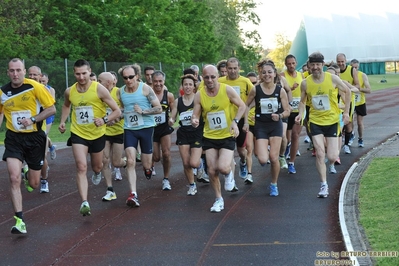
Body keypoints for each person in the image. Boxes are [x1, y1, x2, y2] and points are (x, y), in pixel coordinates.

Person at [58, 59, 121, 216]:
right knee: (81, 166)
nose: (81, 77)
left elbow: (117, 111)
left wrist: (104, 120)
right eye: (78, 74)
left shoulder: (99, 89)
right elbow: (66, 105)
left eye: (84, 73)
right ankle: (84, 202)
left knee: (97, 166)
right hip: (78, 133)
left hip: (97, 134)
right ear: (74, 73)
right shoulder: (69, 91)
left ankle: (98, 172)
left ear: (89, 71)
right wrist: (63, 121)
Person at [1, 58, 56, 234]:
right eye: (12, 71)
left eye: (18, 70)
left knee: (34, 183)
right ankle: (19, 220)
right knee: (13, 177)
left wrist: (32, 119)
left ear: (24, 71)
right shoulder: (2, 92)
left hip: (35, 139)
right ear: (8, 72)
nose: (15, 74)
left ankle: (29, 175)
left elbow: (51, 109)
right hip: (13, 138)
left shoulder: (35, 87)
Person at [295, 52, 351, 198]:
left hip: (332, 121)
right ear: (309, 66)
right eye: (312, 65)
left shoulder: (332, 78)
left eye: (318, 65)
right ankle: (323, 185)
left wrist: (346, 112)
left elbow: (348, 91)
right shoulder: (305, 82)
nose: (315, 67)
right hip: (315, 122)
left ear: (322, 65)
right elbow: (302, 101)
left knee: (332, 156)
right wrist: (300, 114)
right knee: (320, 153)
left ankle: (331, 163)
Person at [191, 64, 246, 213]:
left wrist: (235, 122)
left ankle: (229, 175)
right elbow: (195, 114)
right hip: (209, 136)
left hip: (227, 134)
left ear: (217, 76)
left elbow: (242, 106)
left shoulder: (226, 89)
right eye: (207, 77)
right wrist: (194, 120)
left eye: (213, 77)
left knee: (223, 167)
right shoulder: (199, 94)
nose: (210, 80)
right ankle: (218, 199)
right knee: (212, 170)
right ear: (203, 77)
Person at [244, 61, 291, 196]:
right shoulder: (256, 89)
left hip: (275, 125)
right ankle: (266, 151)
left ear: (274, 73)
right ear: (260, 74)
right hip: (261, 126)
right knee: (263, 159)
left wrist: (280, 115)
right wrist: (246, 122)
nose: (267, 75)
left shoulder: (280, 90)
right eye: (264, 72)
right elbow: (246, 106)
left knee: (274, 158)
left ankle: (274, 184)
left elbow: (287, 110)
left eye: (270, 72)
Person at [118, 64, 162, 207]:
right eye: (125, 78)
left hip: (146, 128)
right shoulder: (120, 92)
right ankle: (133, 194)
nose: (128, 80)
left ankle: (147, 168)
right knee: (130, 161)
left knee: (147, 163)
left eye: (131, 77)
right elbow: (121, 110)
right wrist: (116, 117)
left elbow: (159, 108)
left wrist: (143, 111)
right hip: (129, 129)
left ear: (137, 76)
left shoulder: (145, 89)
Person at [169, 74, 207, 195]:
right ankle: (192, 185)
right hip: (183, 133)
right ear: (182, 86)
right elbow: (173, 116)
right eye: (186, 84)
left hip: (196, 132)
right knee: (186, 163)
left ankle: (200, 165)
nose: (188, 87)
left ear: (194, 86)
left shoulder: (199, 98)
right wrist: (171, 120)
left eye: (190, 84)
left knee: (194, 163)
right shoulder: (177, 101)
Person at [219, 57, 253, 180]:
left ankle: (243, 162)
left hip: (240, 120)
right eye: (230, 68)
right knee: (228, 149)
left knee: (241, 150)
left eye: (235, 68)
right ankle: (230, 177)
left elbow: (253, 98)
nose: (232, 71)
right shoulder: (220, 81)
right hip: (225, 121)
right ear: (226, 69)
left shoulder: (245, 82)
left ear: (239, 68)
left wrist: (247, 119)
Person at [97, 72, 126, 201]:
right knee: (105, 160)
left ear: (109, 82)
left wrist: (116, 119)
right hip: (104, 132)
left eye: (100, 80)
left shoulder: (119, 92)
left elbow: (126, 109)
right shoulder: (98, 93)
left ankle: (126, 162)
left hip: (118, 131)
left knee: (116, 162)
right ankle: (110, 190)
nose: (97, 83)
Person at [28, 66, 52, 193]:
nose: (32, 77)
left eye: (35, 75)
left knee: (42, 157)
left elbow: (51, 109)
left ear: (40, 76)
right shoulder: (24, 89)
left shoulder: (44, 90)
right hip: (23, 130)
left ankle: (44, 180)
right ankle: (27, 173)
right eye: (30, 75)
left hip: (39, 129)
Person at [280, 55, 305, 174]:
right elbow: (281, 90)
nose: (291, 65)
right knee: (286, 137)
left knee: (295, 135)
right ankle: (285, 151)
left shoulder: (301, 75)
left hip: (298, 110)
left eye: (293, 63)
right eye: (289, 63)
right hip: (287, 109)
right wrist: (291, 87)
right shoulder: (282, 75)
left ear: (296, 63)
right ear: (286, 64)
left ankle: (291, 162)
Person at [151, 70, 175, 190]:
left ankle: (166, 179)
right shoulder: (147, 95)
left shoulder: (168, 95)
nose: (158, 84)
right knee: (156, 157)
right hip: (152, 129)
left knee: (166, 153)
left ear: (164, 81)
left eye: (160, 81)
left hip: (164, 128)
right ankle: (150, 163)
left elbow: (174, 109)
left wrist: (172, 118)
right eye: (155, 81)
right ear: (152, 81)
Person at [336, 53, 360, 154]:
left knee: (348, 124)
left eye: (342, 61)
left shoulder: (351, 70)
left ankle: (346, 145)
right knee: (337, 123)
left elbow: (358, 86)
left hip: (349, 100)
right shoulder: (334, 71)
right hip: (336, 99)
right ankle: (337, 145)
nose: (341, 63)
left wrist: (347, 85)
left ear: (346, 61)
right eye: (339, 62)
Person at [350, 59, 371, 147]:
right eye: (352, 67)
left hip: (360, 102)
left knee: (359, 122)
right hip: (350, 101)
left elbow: (369, 90)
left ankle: (360, 138)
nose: (354, 69)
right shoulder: (347, 74)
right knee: (349, 123)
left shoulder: (362, 75)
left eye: (356, 67)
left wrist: (358, 89)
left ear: (358, 67)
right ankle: (351, 135)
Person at [243, 72, 258, 183]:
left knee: (257, 153)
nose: (252, 85)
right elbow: (245, 108)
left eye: (254, 83)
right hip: (248, 125)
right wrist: (246, 122)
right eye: (250, 83)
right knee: (249, 149)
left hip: (259, 126)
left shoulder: (261, 94)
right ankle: (249, 174)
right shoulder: (245, 98)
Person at [40, 72, 57, 161]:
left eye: (43, 81)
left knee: (44, 135)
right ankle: (51, 146)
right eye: (40, 81)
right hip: (39, 115)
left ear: (47, 81)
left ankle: (44, 157)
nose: (42, 83)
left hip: (48, 115)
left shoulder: (51, 89)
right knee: (42, 135)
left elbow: (51, 103)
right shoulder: (36, 88)